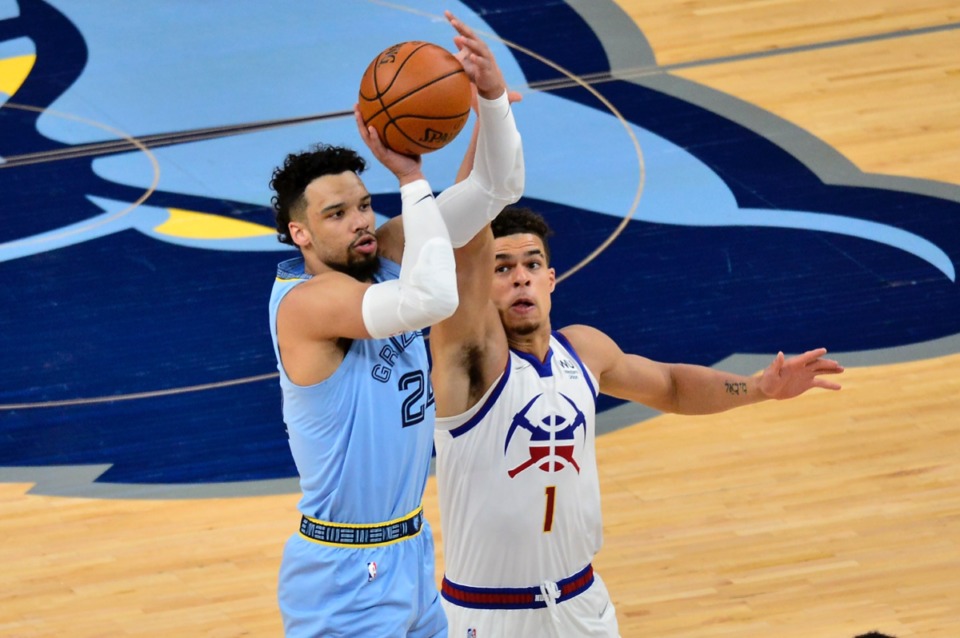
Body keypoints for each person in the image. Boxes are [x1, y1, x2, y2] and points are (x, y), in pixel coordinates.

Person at [428, 206, 845, 637]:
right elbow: (461, 251)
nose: (521, 278)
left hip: (580, 603)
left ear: (551, 280)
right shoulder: (470, 368)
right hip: (488, 612)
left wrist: (759, 388)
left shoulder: (585, 351)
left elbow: (672, 385)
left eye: (532, 264)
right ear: (481, 287)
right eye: (502, 268)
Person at [265, 12, 523, 637]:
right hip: (343, 571)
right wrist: (412, 178)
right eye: (335, 214)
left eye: (362, 204)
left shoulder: (382, 253)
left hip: (410, 548)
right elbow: (431, 298)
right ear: (300, 232)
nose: (358, 221)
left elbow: (497, 189)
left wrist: (488, 97)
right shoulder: (307, 305)